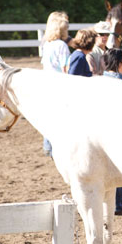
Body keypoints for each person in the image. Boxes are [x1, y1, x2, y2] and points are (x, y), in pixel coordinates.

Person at [102, 48, 122, 215]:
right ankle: (118, 203)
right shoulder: (120, 81)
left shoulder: (102, 78)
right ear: (119, 62)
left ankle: (116, 202)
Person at [40, 11, 71, 156]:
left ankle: (47, 145)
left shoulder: (47, 44)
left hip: (47, 83)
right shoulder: (61, 46)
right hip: (60, 84)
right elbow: (66, 67)